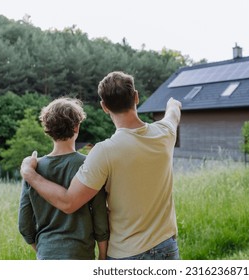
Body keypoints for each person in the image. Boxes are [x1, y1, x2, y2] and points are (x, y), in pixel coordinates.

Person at [20, 71, 182, 260]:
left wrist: (29, 173)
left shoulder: (104, 152)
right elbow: (173, 114)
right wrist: (173, 103)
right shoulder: (165, 132)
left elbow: (68, 202)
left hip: (126, 255)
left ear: (104, 107)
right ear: (136, 97)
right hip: (166, 248)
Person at [18, 97, 109, 260]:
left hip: (46, 252)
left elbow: (24, 223)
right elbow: (100, 216)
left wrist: (42, 250)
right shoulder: (88, 165)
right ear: (76, 127)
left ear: (47, 129)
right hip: (80, 254)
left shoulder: (32, 169)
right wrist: (102, 255)